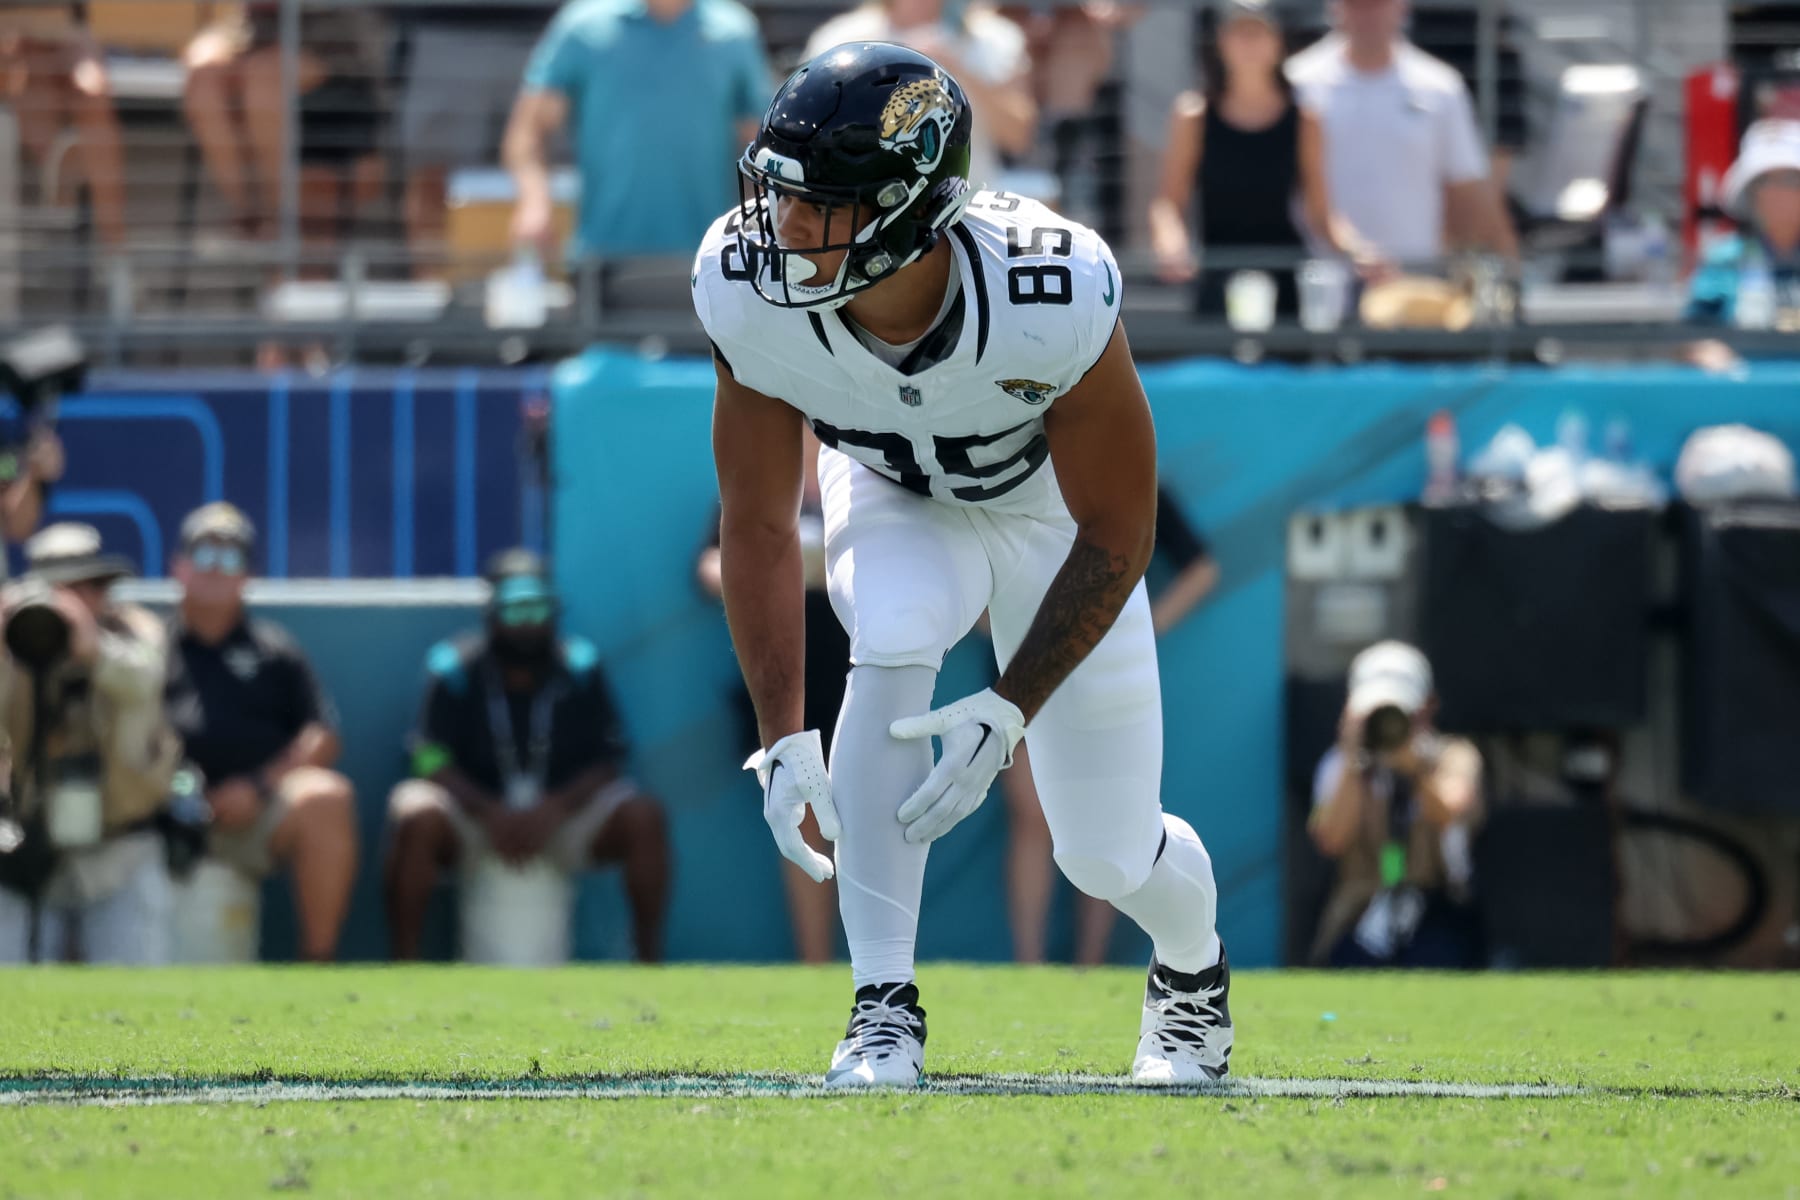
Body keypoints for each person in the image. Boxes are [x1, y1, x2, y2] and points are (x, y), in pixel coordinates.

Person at [695, 43, 1232, 1088]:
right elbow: (757, 521)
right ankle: (881, 1006)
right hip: (892, 494)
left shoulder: (1050, 287)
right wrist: (782, 737)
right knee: (890, 633)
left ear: (905, 214)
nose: (785, 230)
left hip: (1049, 522)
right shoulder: (746, 282)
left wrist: (1011, 704)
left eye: (822, 207)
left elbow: (1119, 528)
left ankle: (1192, 973)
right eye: (779, 195)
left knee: (1106, 852)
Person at [386, 549, 670, 963]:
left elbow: (610, 759)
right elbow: (426, 758)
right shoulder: (454, 668)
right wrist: (489, 810)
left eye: (537, 609)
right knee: (415, 812)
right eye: (515, 611)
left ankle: (650, 963)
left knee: (643, 815)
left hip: (563, 818)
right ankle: (404, 965)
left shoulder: (580, 667)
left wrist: (556, 808)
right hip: (476, 817)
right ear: (492, 612)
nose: (528, 624)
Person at [1001, 486, 1218, 965]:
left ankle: (1091, 961)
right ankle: (1029, 963)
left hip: (1099, 670)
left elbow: (1201, 568)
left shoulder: (1130, 473)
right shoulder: (1008, 469)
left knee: (1103, 822)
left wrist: (1146, 624)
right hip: (1021, 668)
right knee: (1032, 819)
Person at [162, 503, 358, 962]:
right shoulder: (148, 646)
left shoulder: (275, 651)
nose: (216, 570)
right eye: (204, 556)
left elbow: (322, 736)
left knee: (326, 797)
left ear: (248, 575)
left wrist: (257, 786)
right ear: (179, 567)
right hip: (157, 823)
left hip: (251, 818)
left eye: (231, 560)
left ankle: (318, 969)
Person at [697, 428, 846, 964]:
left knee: (871, 809)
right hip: (785, 672)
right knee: (803, 809)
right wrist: (775, 573)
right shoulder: (756, 482)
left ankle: (881, 959)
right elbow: (713, 563)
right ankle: (816, 961)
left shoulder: (864, 478)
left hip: (859, 667)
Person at [0, 524, 180, 963]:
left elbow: (144, 680)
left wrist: (90, 645)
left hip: (121, 848)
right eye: (64, 589)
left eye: (93, 585)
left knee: (135, 1012)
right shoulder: (11, 636)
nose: (80, 600)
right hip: (25, 849)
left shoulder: (135, 629)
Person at [1148, 0, 1381, 316]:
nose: (1248, 44)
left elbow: (1322, 215)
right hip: (1217, 276)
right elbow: (1168, 203)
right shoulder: (1193, 116)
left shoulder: (1306, 119)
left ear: (1278, 43)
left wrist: (1359, 251)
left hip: (1285, 278)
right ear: (1221, 43)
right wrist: (1171, 244)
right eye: (1239, 33)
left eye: (1258, 33)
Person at [505, 0, 769, 263]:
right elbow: (529, 129)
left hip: (710, 261)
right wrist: (534, 202)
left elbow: (761, 146)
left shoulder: (734, 31)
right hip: (601, 260)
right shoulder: (583, 27)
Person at [1285, 0, 1516, 273]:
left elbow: (1465, 189)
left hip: (1414, 284)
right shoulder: (1295, 83)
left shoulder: (1441, 86)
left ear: (1402, 6)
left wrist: (1504, 264)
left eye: (1378, 4)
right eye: (1356, 4)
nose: (1368, 14)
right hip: (1317, 282)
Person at [1308, 641, 1484, 968]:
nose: (1389, 724)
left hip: (1436, 911)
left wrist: (1412, 766)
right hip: (1364, 911)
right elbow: (1330, 839)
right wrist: (1353, 756)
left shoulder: (1453, 755)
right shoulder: (1339, 766)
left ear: (1427, 708)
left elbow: (1450, 810)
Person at [181, 4, 387, 243]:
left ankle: (280, 223)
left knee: (263, 80)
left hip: (338, 50)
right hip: (258, 41)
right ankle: (250, 215)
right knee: (204, 82)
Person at [805, 1, 1036, 193]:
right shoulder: (840, 39)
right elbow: (812, 129)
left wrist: (956, 69)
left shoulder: (995, 39)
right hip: (866, 203)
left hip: (968, 203)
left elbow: (1018, 138)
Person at [397, 3, 557, 278]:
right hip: (445, 30)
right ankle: (432, 288)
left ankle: (549, 288)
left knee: (552, 175)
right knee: (433, 173)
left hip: (542, 31)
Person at [0, 5, 128, 250]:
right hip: (12, 34)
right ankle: (58, 175)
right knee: (28, 77)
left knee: (93, 90)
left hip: (63, 25)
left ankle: (116, 252)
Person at [1685, 119, 1800, 373]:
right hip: (1743, 400)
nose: (1778, 194)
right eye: (1766, 183)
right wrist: (1711, 353)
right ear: (1752, 193)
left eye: (1791, 181)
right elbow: (1694, 332)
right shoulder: (1725, 259)